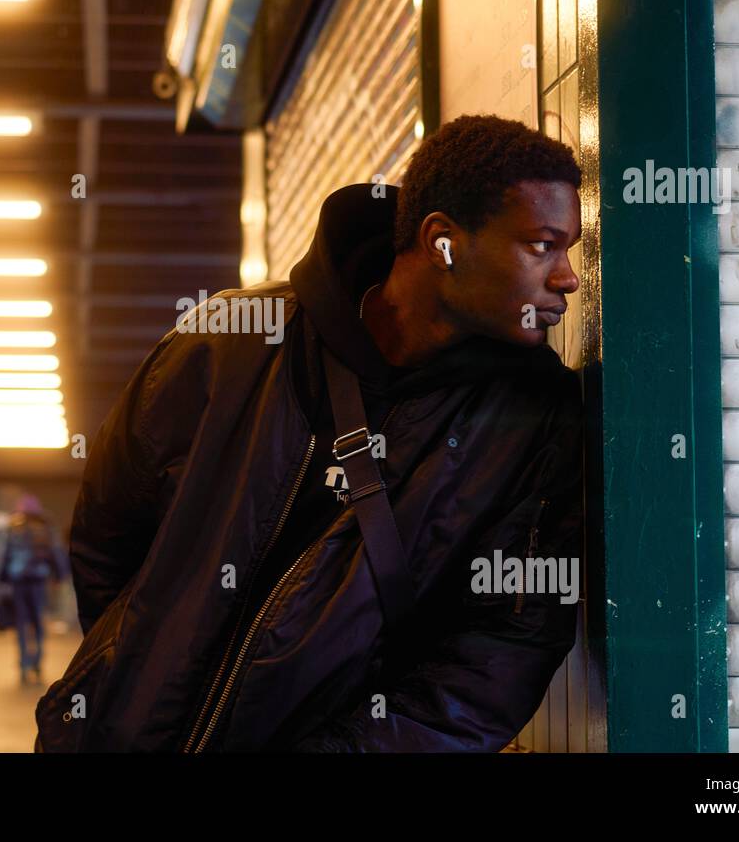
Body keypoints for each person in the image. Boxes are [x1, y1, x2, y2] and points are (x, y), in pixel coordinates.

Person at [36, 114, 585, 751]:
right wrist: (131, 680)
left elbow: (502, 652)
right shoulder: (232, 339)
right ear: (443, 243)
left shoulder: (533, 422)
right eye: (542, 245)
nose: (567, 276)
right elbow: (109, 531)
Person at [0, 511, 68, 684]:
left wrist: (2, 580)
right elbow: (54, 553)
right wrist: (59, 575)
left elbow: (5, 556)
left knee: (21, 623)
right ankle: (37, 660)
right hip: (38, 581)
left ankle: (23, 662)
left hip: (18, 582)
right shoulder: (44, 529)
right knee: (37, 622)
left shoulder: (14, 529)